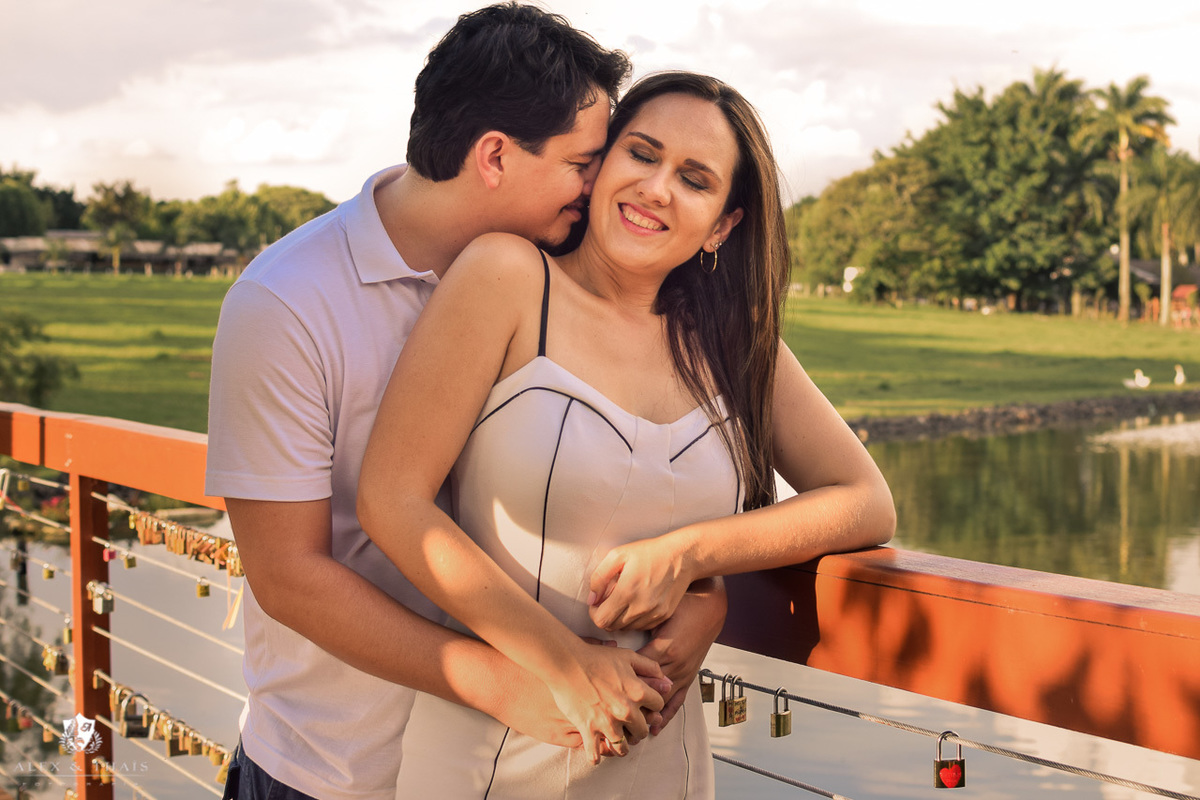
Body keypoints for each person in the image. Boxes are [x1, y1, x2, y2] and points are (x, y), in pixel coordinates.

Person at [205, 7, 730, 800]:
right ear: (494, 156)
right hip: (338, 766)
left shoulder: (563, 280)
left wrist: (706, 594)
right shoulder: (285, 301)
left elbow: (630, 477)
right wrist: (510, 681)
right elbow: (288, 577)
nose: (602, 191)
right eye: (585, 164)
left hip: (517, 763)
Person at [357, 71, 897, 797]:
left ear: (723, 226)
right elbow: (392, 499)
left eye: (695, 179)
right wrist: (565, 663)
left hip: (663, 763)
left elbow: (865, 501)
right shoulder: (507, 277)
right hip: (495, 755)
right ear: (603, 162)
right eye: (641, 153)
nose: (656, 188)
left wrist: (696, 560)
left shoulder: (731, 340)